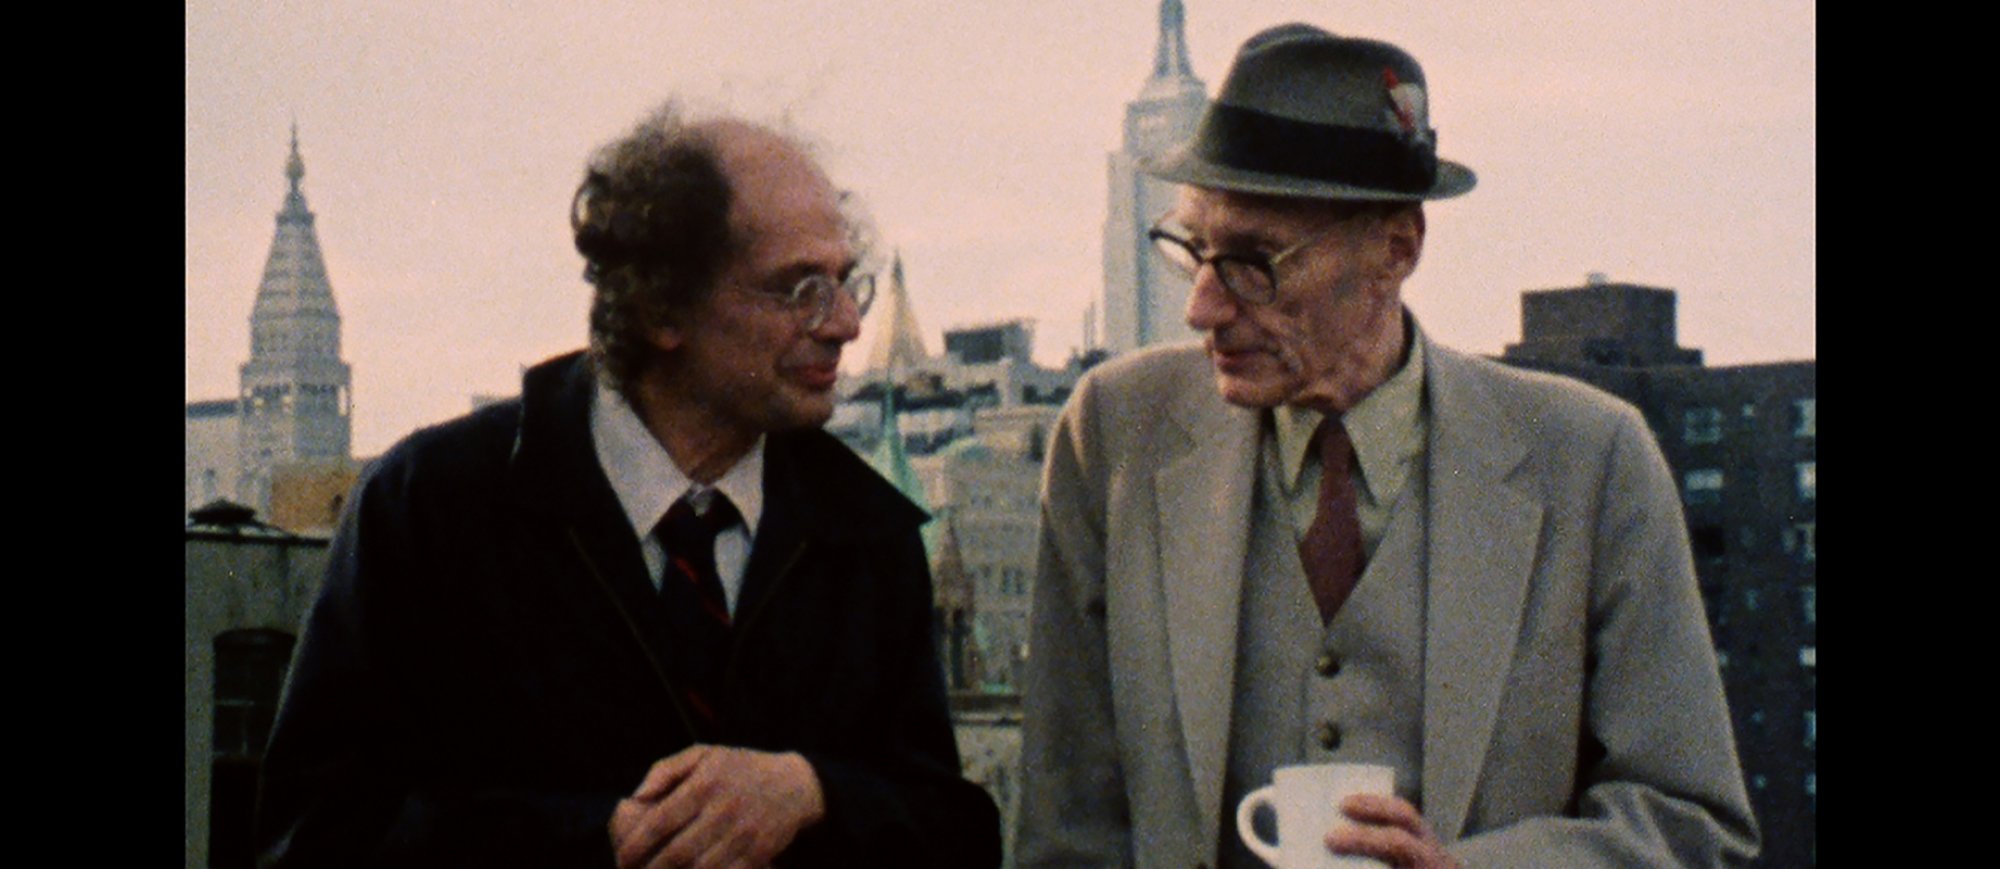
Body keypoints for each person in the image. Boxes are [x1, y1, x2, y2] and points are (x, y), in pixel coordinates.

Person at [1015, 24, 1758, 868]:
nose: (1203, 307)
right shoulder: (1115, 435)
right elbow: (1064, 827)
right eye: (1195, 251)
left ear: (1396, 248)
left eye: (1256, 261)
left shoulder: (1594, 461)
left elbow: (1688, 821)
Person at [255, 103, 1002, 868]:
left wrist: (813, 793)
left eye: (847, 283)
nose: (844, 323)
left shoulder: (865, 532)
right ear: (660, 306)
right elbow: (314, 833)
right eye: (800, 288)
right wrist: (607, 842)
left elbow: (954, 833)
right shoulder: (433, 506)